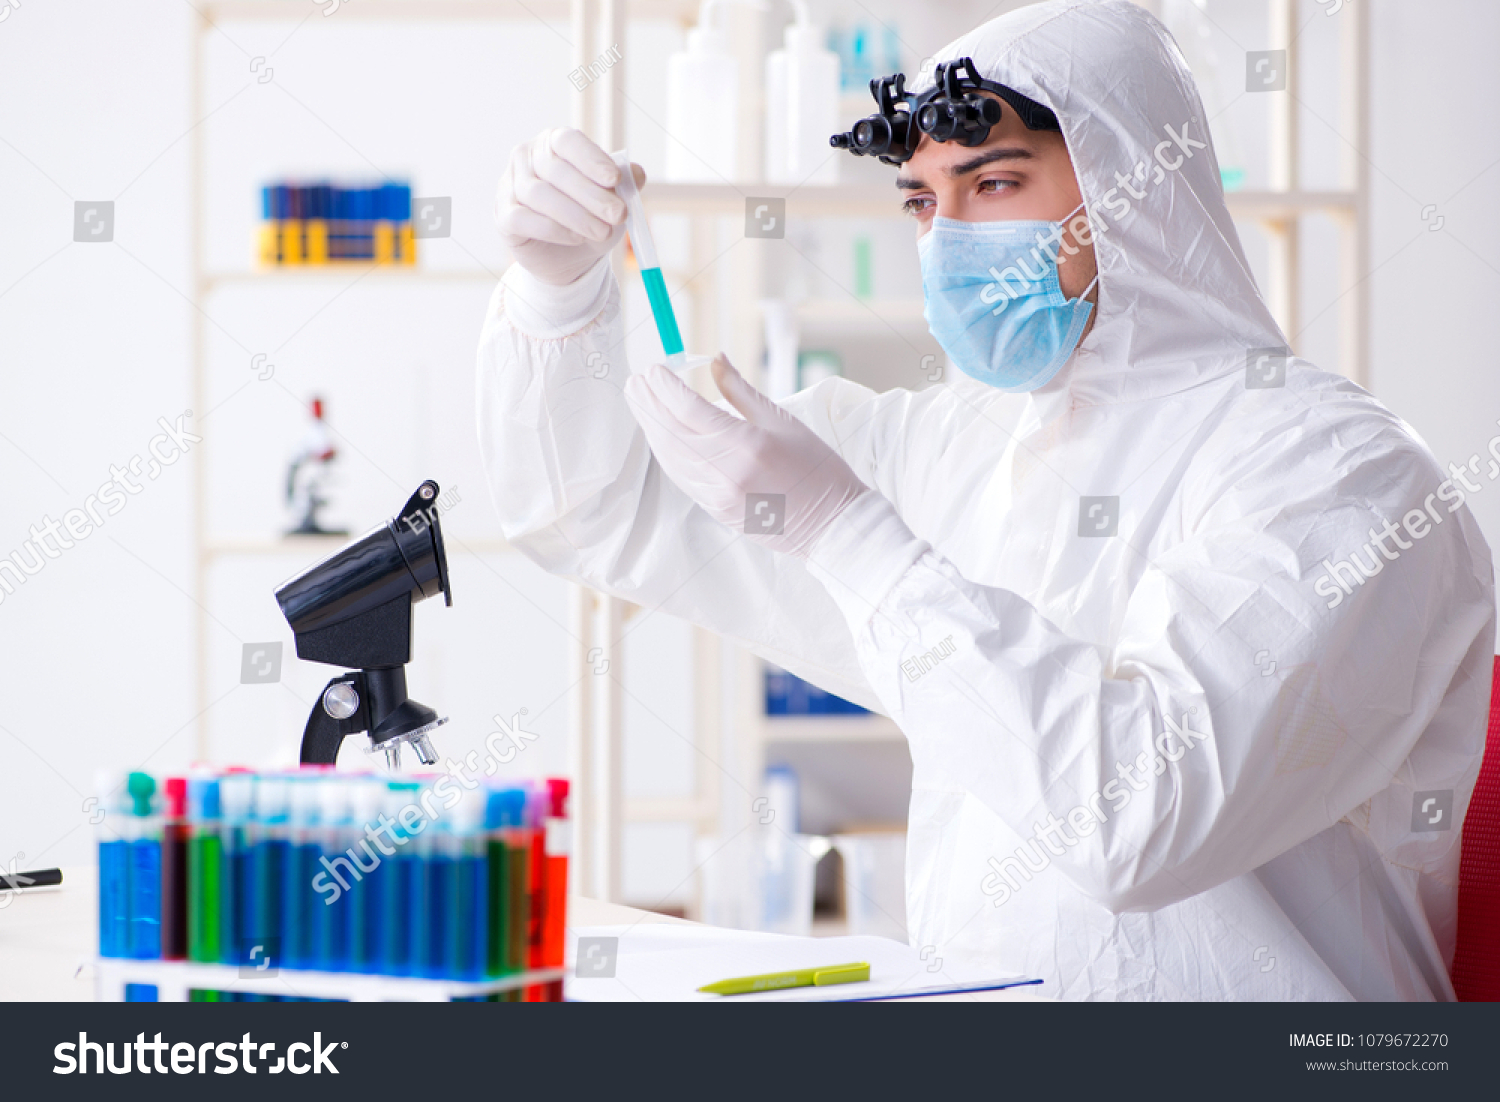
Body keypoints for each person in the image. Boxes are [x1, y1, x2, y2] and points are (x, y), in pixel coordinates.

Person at [479, 0, 1494, 999]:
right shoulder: (962, 445)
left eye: (994, 181)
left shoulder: (1339, 474)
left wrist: (848, 533)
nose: (948, 239)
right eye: (922, 202)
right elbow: (601, 508)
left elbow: (1137, 818)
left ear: (1134, 186)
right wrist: (557, 296)